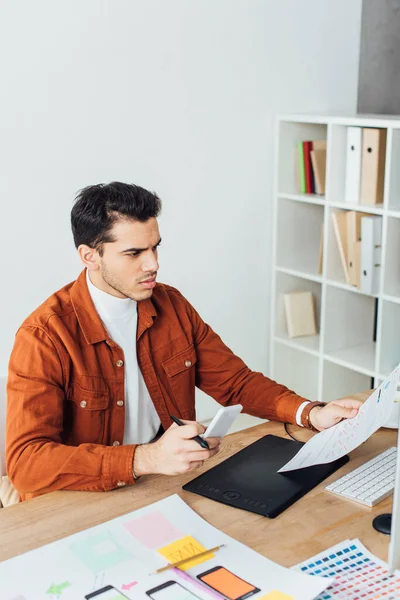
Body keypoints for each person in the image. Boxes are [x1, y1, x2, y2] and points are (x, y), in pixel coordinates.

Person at [6, 182, 361, 501]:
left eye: (155, 248)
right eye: (134, 253)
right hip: (80, 497)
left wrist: (311, 412)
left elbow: (235, 383)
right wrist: (145, 458)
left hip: (163, 482)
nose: (153, 264)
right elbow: (26, 463)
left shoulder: (170, 304)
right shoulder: (44, 336)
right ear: (89, 256)